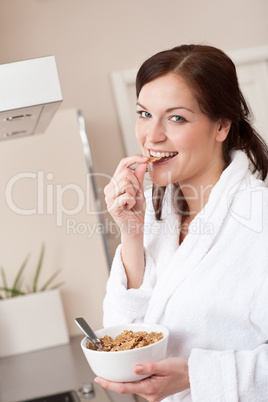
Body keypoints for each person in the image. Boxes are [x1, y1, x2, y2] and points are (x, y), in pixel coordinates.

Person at [95, 44, 268, 401]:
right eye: (144, 113)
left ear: (221, 126)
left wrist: (195, 375)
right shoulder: (158, 217)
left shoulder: (260, 219)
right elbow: (123, 333)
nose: (152, 135)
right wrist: (131, 234)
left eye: (176, 118)